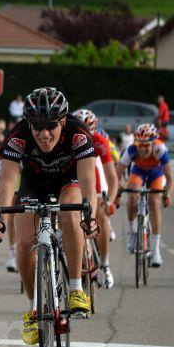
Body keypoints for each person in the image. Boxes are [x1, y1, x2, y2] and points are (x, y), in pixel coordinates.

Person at [0, 87, 99, 346]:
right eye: (37, 126)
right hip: (33, 185)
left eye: (50, 126)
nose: (44, 134)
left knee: (72, 217)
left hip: (67, 181)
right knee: (24, 246)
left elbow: (88, 182)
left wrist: (89, 214)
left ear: (62, 121)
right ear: (28, 123)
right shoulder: (17, 137)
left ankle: (75, 288)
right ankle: (32, 308)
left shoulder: (79, 134)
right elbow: (7, 184)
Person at [115, 123, 174, 267]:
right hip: (139, 172)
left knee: (154, 203)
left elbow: (171, 178)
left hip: (157, 174)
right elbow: (116, 174)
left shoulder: (160, 149)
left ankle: (155, 251)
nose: (142, 148)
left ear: (153, 143)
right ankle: (131, 235)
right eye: (140, 144)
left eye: (146, 145)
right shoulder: (131, 150)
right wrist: (118, 191)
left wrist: (168, 194)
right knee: (132, 196)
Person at [72, 109, 119, 288]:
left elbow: (112, 176)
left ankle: (105, 264)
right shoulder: (69, 139)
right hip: (73, 178)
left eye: (89, 128)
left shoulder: (100, 141)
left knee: (101, 215)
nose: (85, 133)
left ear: (95, 128)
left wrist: (110, 201)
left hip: (95, 179)